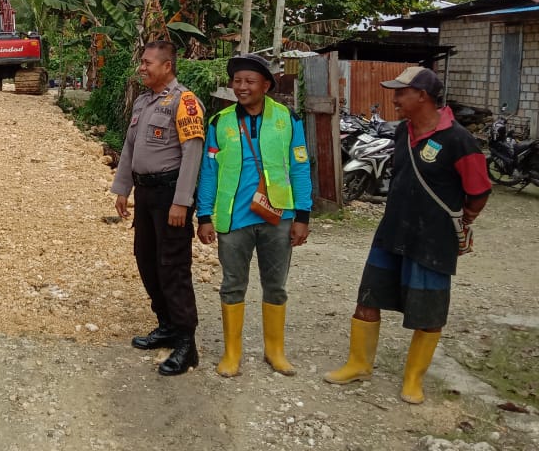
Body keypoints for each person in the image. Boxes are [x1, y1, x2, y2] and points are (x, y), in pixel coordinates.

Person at [324, 67, 491, 403]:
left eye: (401, 93)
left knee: (429, 312)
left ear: (422, 96)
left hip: (433, 239)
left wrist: (465, 220)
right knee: (367, 299)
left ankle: (413, 380)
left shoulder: (459, 140)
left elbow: (479, 190)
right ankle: (359, 365)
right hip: (392, 230)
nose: (395, 99)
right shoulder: (403, 131)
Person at [196, 53, 312, 378]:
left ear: (266, 86)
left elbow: (300, 167)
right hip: (233, 218)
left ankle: (275, 351)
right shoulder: (219, 122)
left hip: (278, 216)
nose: (242, 87)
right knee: (233, 284)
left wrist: (302, 215)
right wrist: (204, 215)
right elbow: (209, 171)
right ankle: (232, 353)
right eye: (237, 81)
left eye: (249, 81)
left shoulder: (287, 118)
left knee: (276, 286)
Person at [111, 41, 206, 376]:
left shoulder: (185, 102)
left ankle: (186, 343)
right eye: (142, 62)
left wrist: (182, 201)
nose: (142, 67)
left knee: (173, 267)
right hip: (145, 194)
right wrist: (122, 188)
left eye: (147, 62)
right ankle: (166, 325)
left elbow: (192, 154)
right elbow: (130, 147)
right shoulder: (143, 102)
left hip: (170, 196)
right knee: (146, 260)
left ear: (167, 66)